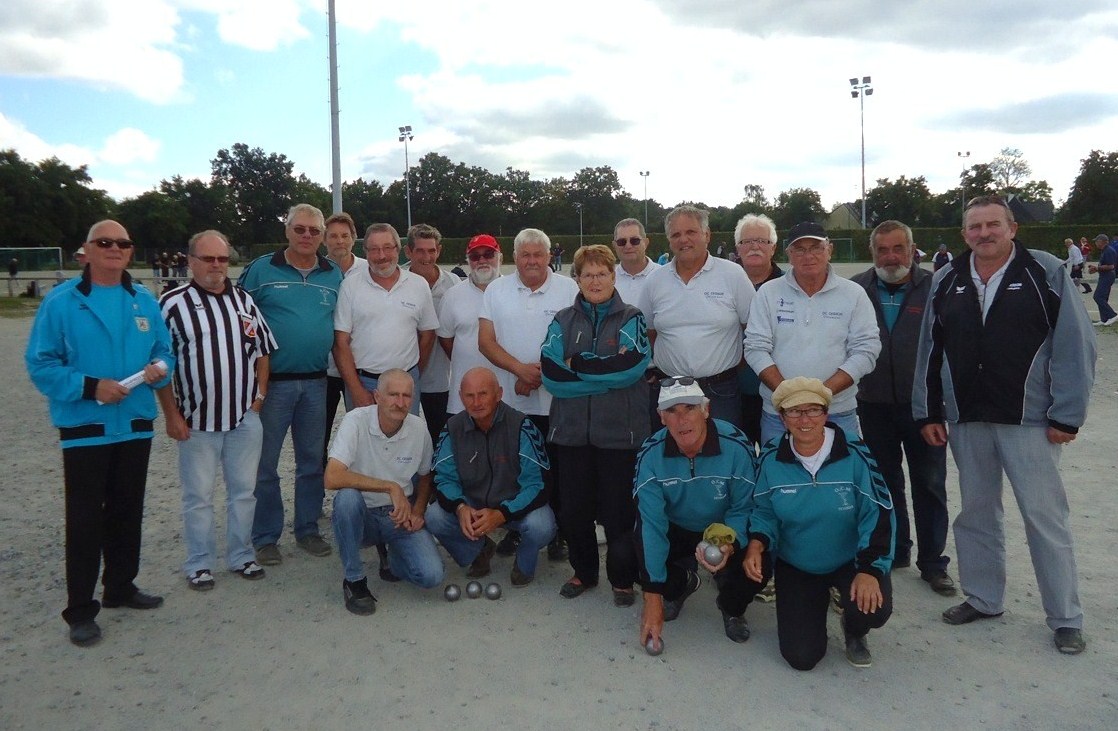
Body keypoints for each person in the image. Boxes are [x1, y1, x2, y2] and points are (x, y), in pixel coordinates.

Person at [913, 195, 1096, 655]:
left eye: (993, 224)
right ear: (964, 234)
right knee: (976, 512)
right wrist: (929, 411)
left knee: (1044, 517)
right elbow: (929, 349)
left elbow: (1075, 344)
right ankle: (983, 597)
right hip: (968, 417)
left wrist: (1067, 414)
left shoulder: (1045, 270)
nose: (984, 234)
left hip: (1028, 418)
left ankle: (1065, 617)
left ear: (1012, 228)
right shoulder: (947, 278)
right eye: (975, 227)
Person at [26, 220, 175, 647]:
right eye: (105, 242)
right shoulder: (61, 302)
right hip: (85, 426)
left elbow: (165, 351)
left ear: (130, 251)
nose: (115, 248)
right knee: (85, 518)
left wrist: (161, 368)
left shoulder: (143, 300)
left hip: (134, 423)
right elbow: (41, 363)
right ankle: (80, 609)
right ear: (86, 251)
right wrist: (91, 387)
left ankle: (120, 586)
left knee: (128, 509)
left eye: (123, 243)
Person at [745, 377, 895, 670]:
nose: (805, 420)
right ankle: (813, 605)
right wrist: (756, 543)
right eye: (794, 411)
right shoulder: (771, 457)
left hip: (850, 559)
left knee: (873, 609)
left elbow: (879, 511)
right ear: (782, 418)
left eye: (813, 410)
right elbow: (763, 510)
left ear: (826, 414)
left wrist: (869, 570)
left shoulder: (855, 452)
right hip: (798, 563)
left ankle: (854, 628)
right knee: (801, 657)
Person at [157, 230, 277, 590]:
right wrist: (171, 415)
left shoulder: (243, 300)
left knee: (244, 492)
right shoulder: (172, 304)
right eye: (208, 258)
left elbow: (263, 350)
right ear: (190, 261)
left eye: (222, 259)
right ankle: (200, 562)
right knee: (198, 497)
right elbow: (160, 364)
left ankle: (241, 555)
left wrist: (258, 398)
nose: (216, 265)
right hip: (197, 422)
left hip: (243, 419)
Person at [540, 244, 650, 606]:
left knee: (619, 512)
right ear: (577, 279)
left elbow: (631, 368)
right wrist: (605, 378)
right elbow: (552, 375)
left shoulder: (632, 318)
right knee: (574, 511)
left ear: (614, 277)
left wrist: (579, 364)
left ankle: (622, 579)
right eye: (587, 274)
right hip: (571, 433)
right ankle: (584, 573)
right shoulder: (561, 320)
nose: (595, 280)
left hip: (620, 434)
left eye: (602, 273)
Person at [851, 221, 954, 595]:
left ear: (913, 250)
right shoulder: (856, 289)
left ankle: (933, 563)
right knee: (885, 482)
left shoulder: (937, 286)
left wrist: (940, 405)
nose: (890, 257)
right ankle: (895, 550)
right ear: (872, 252)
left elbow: (950, 346)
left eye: (898, 248)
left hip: (923, 407)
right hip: (873, 403)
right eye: (882, 250)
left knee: (929, 483)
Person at [238, 203, 343, 565]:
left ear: (322, 236)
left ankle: (308, 529)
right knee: (264, 463)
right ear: (287, 231)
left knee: (311, 461)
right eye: (300, 229)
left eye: (314, 231)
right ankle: (266, 536)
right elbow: (239, 321)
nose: (307, 236)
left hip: (316, 382)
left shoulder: (333, 274)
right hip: (272, 385)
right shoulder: (261, 270)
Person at [634, 377, 764, 649]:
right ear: (661, 417)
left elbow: (745, 507)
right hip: (677, 527)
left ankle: (731, 606)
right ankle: (683, 583)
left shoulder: (736, 445)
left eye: (690, 408)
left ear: (706, 410)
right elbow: (652, 524)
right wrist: (652, 596)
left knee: (760, 560)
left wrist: (728, 543)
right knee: (630, 557)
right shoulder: (650, 454)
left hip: (722, 527)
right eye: (671, 411)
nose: (682, 419)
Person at [479, 228, 579, 560]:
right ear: (515, 257)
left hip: (557, 401)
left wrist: (539, 374)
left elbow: (579, 341)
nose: (532, 261)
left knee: (559, 468)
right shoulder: (496, 290)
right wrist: (520, 371)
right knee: (516, 468)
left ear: (550, 256)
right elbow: (485, 341)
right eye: (525, 255)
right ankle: (516, 527)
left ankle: (558, 533)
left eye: (538, 254)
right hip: (512, 401)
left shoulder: (569, 289)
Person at [745, 221, 880, 445]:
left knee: (841, 469)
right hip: (779, 414)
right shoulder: (768, 293)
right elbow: (755, 348)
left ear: (829, 249)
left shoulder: (854, 294)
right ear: (789, 254)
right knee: (779, 468)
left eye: (816, 247)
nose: (808, 256)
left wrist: (822, 395)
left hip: (838, 412)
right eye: (800, 249)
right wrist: (788, 396)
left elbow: (866, 350)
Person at [325, 369, 444, 615]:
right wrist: (391, 487)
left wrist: (418, 510)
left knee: (431, 576)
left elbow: (426, 475)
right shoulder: (355, 421)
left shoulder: (418, 428)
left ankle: (391, 555)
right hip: (363, 514)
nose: (400, 402)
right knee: (347, 499)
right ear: (377, 396)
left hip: (398, 516)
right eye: (393, 395)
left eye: (406, 396)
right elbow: (332, 476)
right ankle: (354, 580)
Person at [426, 367, 556, 586]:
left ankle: (524, 562)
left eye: (483, 394)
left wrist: (502, 513)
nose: (476, 402)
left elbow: (538, 484)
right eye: (470, 395)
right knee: (434, 516)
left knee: (542, 525)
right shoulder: (452, 428)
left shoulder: (522, 426)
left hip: (514, 506)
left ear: (499, 394)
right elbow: (442, 478)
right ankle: (478, 550)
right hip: (473, 507)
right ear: (461, 397)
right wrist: (460, 507)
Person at [636, 205, 755, 428]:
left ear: (707, 235)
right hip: (671, 389)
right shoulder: (654, 281)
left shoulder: (733, 274)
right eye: (676, 234)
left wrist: (732, 365)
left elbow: (752, 328)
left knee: (723, 447)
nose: (684, 239)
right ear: (669, 240)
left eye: (691, 232)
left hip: (721, 390)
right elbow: (649, 332)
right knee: (674, 449)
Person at [333, 223, 437, 415]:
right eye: (374, 249)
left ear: (398, 249)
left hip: (405, 382)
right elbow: (340, 343)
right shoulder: (350, 286)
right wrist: (356, 389)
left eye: (387, 248)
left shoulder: (418, 285)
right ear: (365, 252)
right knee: (364, 435)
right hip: (364, 382)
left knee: (406, 434)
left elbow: (428, 334)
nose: (381, 256)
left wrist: (412, 376)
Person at [404, 223, 460, 444]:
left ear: (439, 250)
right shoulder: (398, 283)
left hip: (441, 380)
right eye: (420, 251)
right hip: (406, 377)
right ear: (408, 251)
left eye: (431, 250)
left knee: (441, 439)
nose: (426, 257)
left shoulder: (453, 283)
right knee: (406, 439)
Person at [437, 234, 503, 416]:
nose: (482, 260)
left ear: (500, 257)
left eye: (488, 254)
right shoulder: (452, 296)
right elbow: (445, 339)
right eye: (475, 256)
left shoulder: (514, 292)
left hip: (507, 392)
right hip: (464, 395)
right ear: (468, 261)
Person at [733, 213, 785, 444]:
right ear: (738, 248)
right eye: (747, 241)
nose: (754, 246)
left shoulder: (790, 285)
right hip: (732, 392)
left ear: (773, 248)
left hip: (780, 390)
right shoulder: (723, 282)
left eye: (762, 241)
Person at [322, 212, 366, 468]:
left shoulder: (368, 269)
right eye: (333, 236)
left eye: (345, 235)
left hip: (359, 366)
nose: (339, 241)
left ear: (353, 238)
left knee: (362, 432)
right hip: (324, 369)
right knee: (319, 434)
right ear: (324, 240)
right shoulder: (316, 270)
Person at [611, 217, 660, 307]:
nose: (628, 246)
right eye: (621, 242)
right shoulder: (607, 279)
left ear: (645, 243)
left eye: (634, 241)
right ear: (614, 246)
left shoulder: (664, 276)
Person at [1087, 233, 1116, 325]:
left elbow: (1111, 266)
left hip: (1108, 276)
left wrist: (1097, 268)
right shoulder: (1105, 250)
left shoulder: (1108, 251)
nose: (1095, 243)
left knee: (1098, 297)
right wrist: (1096, 268)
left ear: (1102, 241)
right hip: (1105, 275)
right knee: (1103, 297)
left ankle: (1112, 315)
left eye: (1097, 241)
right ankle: (1104, 319)